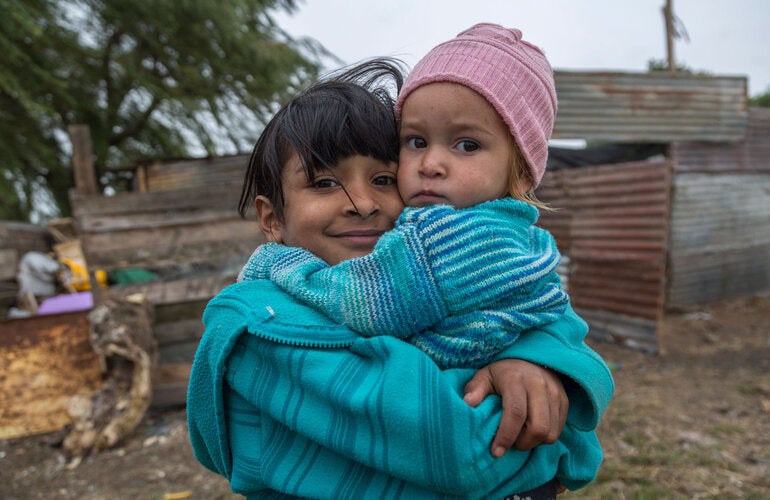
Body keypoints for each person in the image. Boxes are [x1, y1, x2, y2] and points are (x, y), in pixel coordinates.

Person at [188, 55, 611, 499]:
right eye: (324, 184)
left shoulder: (426, 283)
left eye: (384, 178)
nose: (363, 203)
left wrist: (532, 360)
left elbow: (558, 324)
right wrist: (561, 447)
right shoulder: (264, 325)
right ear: (272, 219)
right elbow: (459, 450)